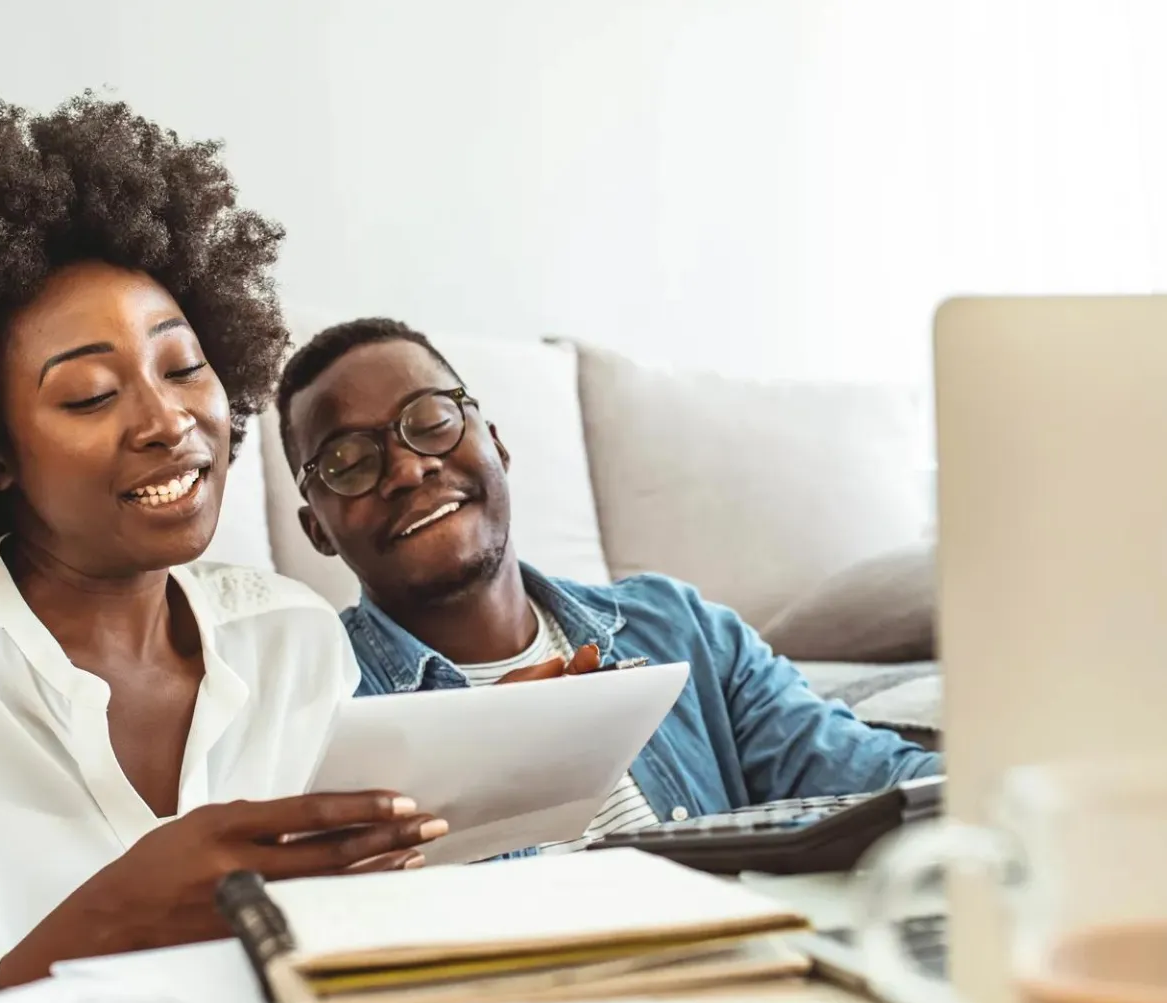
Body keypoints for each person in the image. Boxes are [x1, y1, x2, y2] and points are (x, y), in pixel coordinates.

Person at [0, 97, 442, 1003]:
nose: (169, 422)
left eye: (182, 368)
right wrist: (97, 928)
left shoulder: (289, 634)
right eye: (90, 395)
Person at [276, 317, 940, 851]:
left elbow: (880, 780)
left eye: (430, 422)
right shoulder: (308, 705)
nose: (406, 469)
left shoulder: (682, 630)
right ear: (319, 531)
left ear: (497, 444)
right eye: (348, 460)